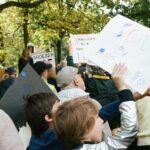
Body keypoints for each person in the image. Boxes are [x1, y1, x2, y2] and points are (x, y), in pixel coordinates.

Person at [53, 64, 138, 150]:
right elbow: (124, 133)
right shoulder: (88, 103)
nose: (101, 121)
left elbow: (103, 113)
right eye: (97, 117)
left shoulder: (57, 108)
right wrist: (122, 88)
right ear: (76, 82)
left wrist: (132, 97)